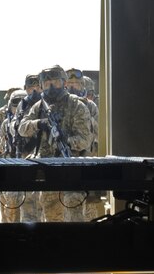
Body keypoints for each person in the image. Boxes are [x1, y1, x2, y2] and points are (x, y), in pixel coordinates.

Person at [18, 65, 92, 222]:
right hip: (46, 172)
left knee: (74, 219)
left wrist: (65, 140)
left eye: (55, 82)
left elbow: (85, 140)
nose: (51, 87)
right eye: (46, 84)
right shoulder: (38, 107)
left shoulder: (77, 106)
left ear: (64, 83)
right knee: (52, 221)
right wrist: (39, 123)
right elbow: (22, 129)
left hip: (71, 168)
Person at [66, 68, 101, 221]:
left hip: (88, 160)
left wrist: (84, 110)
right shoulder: (62, 105)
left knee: (90, 210)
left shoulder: (91, 106)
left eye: (77, 83)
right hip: (68, 161)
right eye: (70, 83)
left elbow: (98, 129)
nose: (73, 86)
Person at [9, 74, 43, 222]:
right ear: (26, 88)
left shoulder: (45, 104)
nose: (34, 90)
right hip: (24, 157)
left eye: (37, 87)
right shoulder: (23, 104)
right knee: (27, 203)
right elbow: (14, 127)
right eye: (31, 87)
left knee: (43, 202)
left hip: (41, 157)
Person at [0, 89, 26, 222]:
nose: (19, 106)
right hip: (10, 171)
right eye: (16, 103)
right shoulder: (6, 125)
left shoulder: (34, 123)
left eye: (23, 102)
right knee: (9, 214)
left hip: (29, 173)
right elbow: (2, 151)